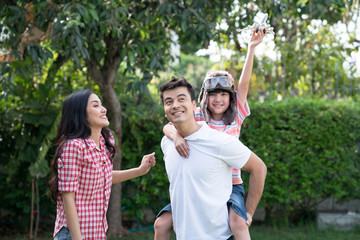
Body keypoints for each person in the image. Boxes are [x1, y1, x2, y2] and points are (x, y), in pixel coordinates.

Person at [154, 28, 266, 240]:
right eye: (213, 95)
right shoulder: (197, 116)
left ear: (230, 98)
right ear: (203, 98)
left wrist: (251, 48)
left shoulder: (236, 115)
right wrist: (176, 137)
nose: (218, 100)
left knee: (238, 224)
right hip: (202, 185)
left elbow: (244, 84)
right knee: (161, 224)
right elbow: (169, 125)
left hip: (231, 185)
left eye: (223, 94)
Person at [49, 89, 156, 240]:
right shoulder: (73, 147)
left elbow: (104, 176)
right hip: (73, 235)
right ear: (80, 113)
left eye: (101, 104)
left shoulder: (105, 142)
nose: (103, 109)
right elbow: (68, 198)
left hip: (97, 233)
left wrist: (139, 170)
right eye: (95, 105)